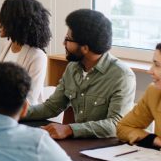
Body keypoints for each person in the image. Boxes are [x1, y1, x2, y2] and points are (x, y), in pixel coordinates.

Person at [24, 9, 136, 140]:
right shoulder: (72, 67)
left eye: (68, 39)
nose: (63, 43)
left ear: (85, 48)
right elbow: (52, 107)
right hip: (78, 144)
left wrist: (70, 129)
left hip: (106, 149)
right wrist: (21, 112)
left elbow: (116, 124)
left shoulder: (121, 75)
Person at [0, 0, 51, 105]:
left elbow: (29, 100)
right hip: (0, 110)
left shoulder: (37, 56)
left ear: (17, 23)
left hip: (24, 116)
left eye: (3, 19)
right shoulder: (6, 46)